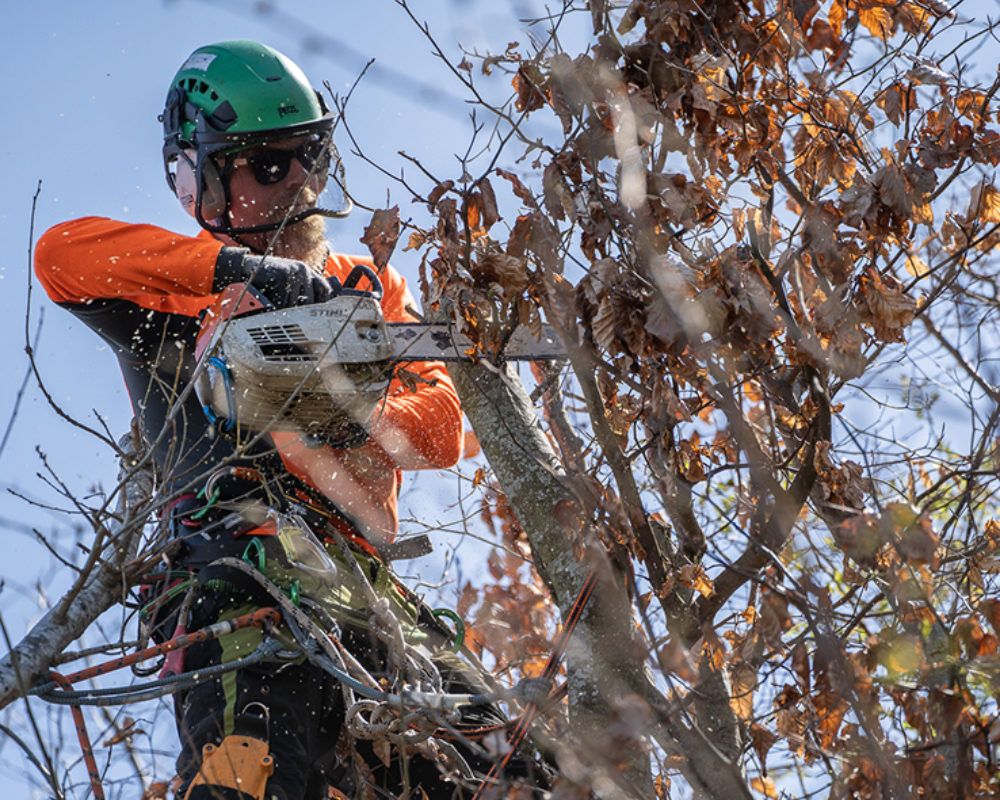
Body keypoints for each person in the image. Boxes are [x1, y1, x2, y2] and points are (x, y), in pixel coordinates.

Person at [33, 40, 520, 800]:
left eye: (308, 158)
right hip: (240, 582)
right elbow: (57, 254)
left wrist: (346, 411)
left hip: (369, 594)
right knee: (249, 774)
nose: (297, 182)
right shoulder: (171, 287)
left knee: (524, 769)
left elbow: (446, 422)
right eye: (267, 164)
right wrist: (236, 272)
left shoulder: (368, 289)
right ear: (201, 180)